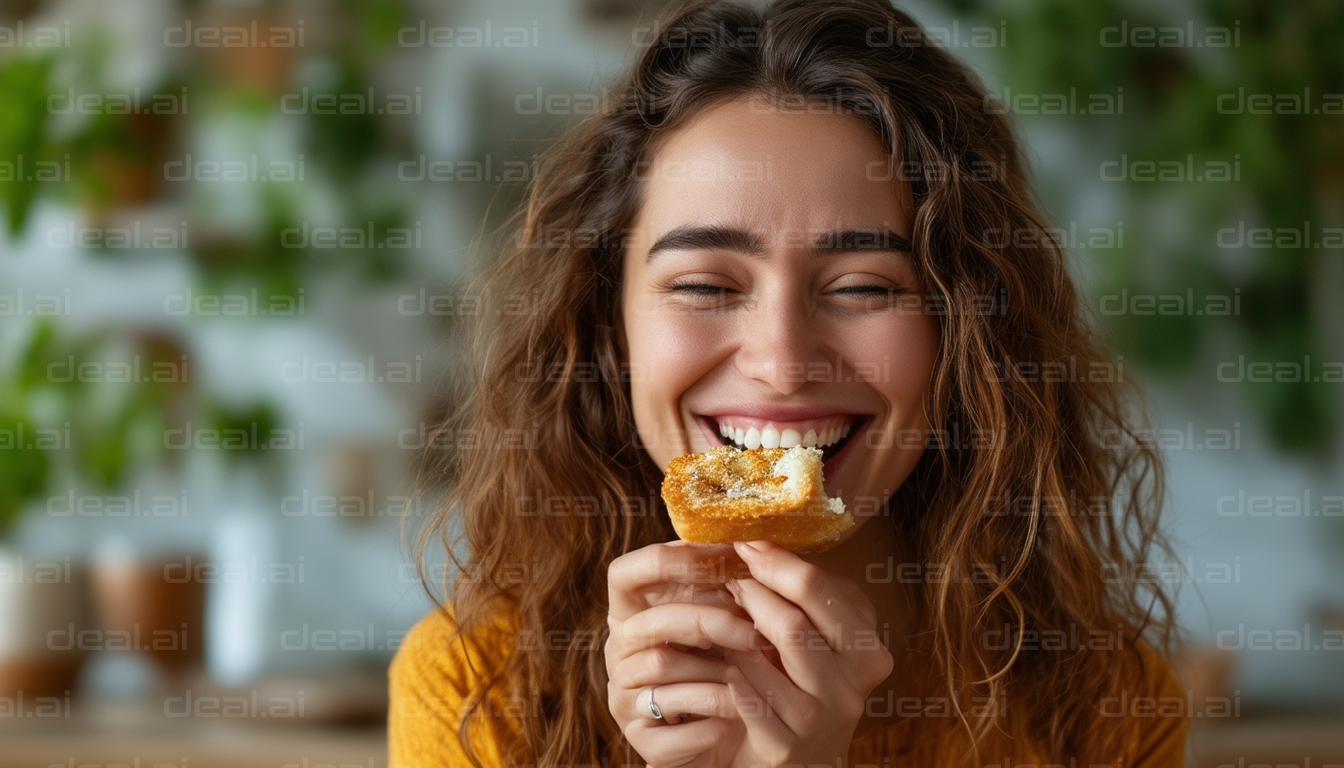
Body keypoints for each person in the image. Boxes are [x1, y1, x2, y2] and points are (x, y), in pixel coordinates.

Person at [388, 0, 1188, 765]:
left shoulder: (1104, 707)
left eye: (863, 287)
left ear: (967, 332)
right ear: (608, 324)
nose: (782, 360)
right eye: (704, 286)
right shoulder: (475, 691)